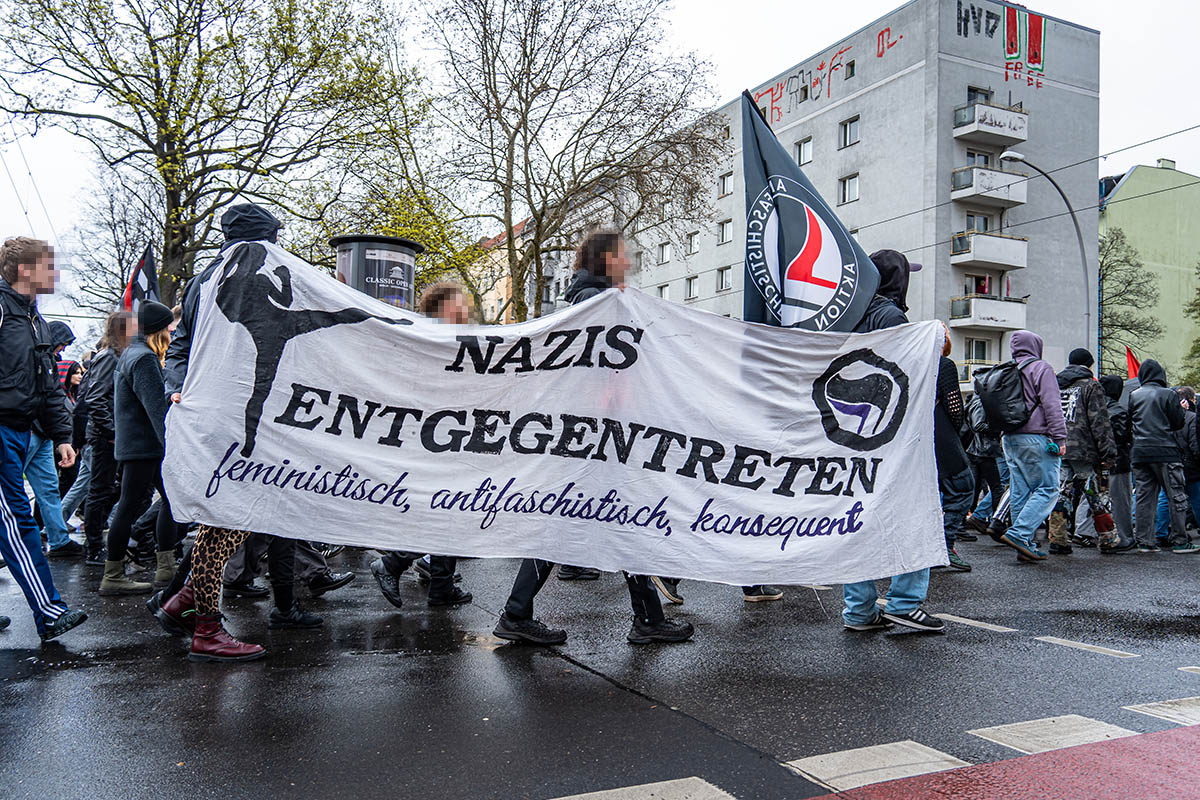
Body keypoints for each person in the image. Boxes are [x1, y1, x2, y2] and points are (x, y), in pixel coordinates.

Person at [492, 229, 692, 645]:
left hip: (597, 435)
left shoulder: (594, 299)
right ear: (605, 259)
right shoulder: (593, 303)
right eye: (623, 255)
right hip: (592, 437)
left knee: (606, 521)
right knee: (598, 521)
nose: (630, 261)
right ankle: (643, 620)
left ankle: (645, 619)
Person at [841, 249, 944, 633]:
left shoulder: (848, 313)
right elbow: (903, 370)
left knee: (859, 520)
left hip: (853, 432)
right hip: (890, 428)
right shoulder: (890, 315)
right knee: (913, 512)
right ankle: (905, 601)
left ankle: (860, 610)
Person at [0, 236, 87, 640]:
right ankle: (49, 611)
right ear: (24, 271)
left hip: (23, 431)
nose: (55, 273)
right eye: (47, 265)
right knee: (19, 523)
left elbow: (50, 385)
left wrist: (62, 436)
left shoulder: (35, 318)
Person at [371, 282, 474, 610]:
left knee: (453, 512)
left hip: (454, 436)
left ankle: (441, 585)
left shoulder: (457, 339)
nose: (463, 312)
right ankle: (394, 563)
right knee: (442, 510)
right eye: (456, 306)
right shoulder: (431, 340)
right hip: (435, 439)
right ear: (438, 310)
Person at [98, 301, 182, 595]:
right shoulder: (144, 358)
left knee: (144, 504)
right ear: (159, 330)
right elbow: (156, 409)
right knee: (145, 505)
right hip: (146, 447)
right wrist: (174, 446)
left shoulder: (132, 353)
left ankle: (159, 567)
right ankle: (120, 574)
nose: (172, 332)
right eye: (168, 328)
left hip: (138, 446)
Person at [997, 331, 1066, 563]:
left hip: (1009, 438)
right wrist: (1060, 438)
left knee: (1020, 491)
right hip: (1036, 437)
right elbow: (1052, 404)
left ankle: (1023, 545)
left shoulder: (1006, 369)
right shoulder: (1041, 368)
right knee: (1048, 488)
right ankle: (1019, 534)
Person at [1050, 348, 1120, 554]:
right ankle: (1108, 537)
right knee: (1094, 492)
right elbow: (1099, 421)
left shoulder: (1056, 384)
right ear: (1089, 364)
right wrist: (1108, 453)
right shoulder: (1091, 386)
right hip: (1084, 449)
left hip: (1059, 447)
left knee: (1062, 492)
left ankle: (1058, 539)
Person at [81, 310, 136, 564]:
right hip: (105, 437)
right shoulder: (109, 357)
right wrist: (111, 431)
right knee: (99, 490)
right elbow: (95, 398)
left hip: (115, 434)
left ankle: (101, 540)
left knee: (114, 489)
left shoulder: (120, 356)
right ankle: (93, 547)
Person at [23, 320, 81, 558]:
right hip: (29, 431)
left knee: (48, 490)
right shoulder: (35, 361)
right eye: (63, 344)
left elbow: (52, 401)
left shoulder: (48, 363)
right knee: (12, 489)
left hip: (42, 435)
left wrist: (61, 438)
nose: (64, 350)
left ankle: (58, 538)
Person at [1129, 361, 1196, 553]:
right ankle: (1180, 541)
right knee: (1176, 495)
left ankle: (1145, 541)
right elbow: (1177, 423)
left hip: (1140, 452)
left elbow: (1130, 421)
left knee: (1144, 497)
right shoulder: (1168, 394)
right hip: (1165, 451)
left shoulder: (1134, 395)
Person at [934, 324, 974, 572]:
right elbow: (954, 406)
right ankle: (944, 545)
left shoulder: (910, 363)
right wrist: (956, 431)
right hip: (942, 435)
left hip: (915, 437)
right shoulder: (943, 365)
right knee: (962, 488)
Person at [1154, 387, 1200, 543]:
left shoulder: (1164, 417)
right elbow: (1194, 444)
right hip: (1189, 465)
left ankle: (1160, 532)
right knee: (1196, 497)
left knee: (1165, 498)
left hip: (1166, 460)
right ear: (1188, 400)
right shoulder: (1191, 418)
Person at [1099, 374, 1136, 552]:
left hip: (1096, 461)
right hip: (1118, 461)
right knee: (1121, 501)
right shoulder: (1119, 411)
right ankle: (1124, 537)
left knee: (1098, 501)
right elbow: (1122, 437)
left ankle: (1095, 534)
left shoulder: (1095, 407)